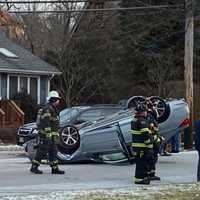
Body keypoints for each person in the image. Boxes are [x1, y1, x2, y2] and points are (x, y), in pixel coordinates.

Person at [30, 90, 65, 174]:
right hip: (46, 135)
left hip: (51, 136)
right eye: (57, 99)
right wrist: (48, 135)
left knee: (53, 151)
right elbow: (46, 123)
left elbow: (54, 123)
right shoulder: (47, 109)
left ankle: (55, 168)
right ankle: (34, 167)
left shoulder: (52, 109)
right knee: (42, 150)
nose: (58, 101)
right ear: (54, 99)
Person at [130, 103, 153, 185]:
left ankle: (140, 178)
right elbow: (145, 133)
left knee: (139, 163)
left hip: (137, 147)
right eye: (146, 111)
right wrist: (149, 143)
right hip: (142, 147)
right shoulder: (142, 120)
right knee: (142, 164)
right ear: (143, 112)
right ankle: (140, 179)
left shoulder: (134, 120)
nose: (146, 113)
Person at [146, 99, 161, 181]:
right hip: (152, 141)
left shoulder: (151, 115)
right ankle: (150, 174)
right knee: (151, 158)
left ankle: (151, 174)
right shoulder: (149, 116)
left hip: (154, 140)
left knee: (153, 158)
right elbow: (152, 129)